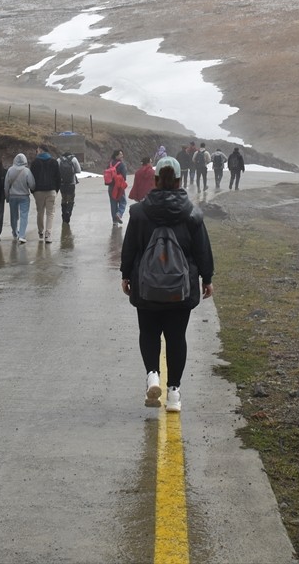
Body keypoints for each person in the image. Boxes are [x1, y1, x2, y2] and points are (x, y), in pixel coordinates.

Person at [119, 156, 214, 413]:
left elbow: (129, 248)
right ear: (180, 180)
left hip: (146, 286)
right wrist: (207, 278)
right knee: (176, 337)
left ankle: (152, 376)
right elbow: (202, 250)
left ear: (156, 180)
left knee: (149, 333)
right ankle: (174, 394)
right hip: (180, 290)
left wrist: (126, 274)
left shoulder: (139, 213)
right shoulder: (192, 213)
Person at [30, 144, 61, 243]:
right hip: (51, 190)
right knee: (50, 213)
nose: (36, 151)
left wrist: (33, 190)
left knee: (40, 212)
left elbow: (31, 178)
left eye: (37, 150)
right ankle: (48, 234)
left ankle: (40, 232)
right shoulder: (54, 162)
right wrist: (56, 190)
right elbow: (58, 177)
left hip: (38, 191)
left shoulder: (35, 162)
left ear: (41, 150)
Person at [4, 152, 35, 244]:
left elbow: (6, 185)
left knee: (14, 216)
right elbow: (32, 185)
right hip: (24, 197)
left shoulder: (10, 170)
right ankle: (22, 235)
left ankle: (14, 232)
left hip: (13, 196)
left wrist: (7, 197)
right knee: (23, 216)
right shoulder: (27, 171)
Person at [58, 149, 82, 225]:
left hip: (62, 183)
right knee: (71, 199)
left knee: (64, 199)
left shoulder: (59, 160)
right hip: (71, 183)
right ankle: (68, 212)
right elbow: (79, 170)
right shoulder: (73, 159)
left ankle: (63, 215)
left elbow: (56, 171)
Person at [106, 149, 128, 225]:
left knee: (113, 203)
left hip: (111, 187)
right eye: (120, 154)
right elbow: (124, 177)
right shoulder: (121, 164)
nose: (122, 156)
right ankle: (119, 214)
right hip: (119, 187)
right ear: (116, 155)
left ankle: (114, 221)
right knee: (123, 201)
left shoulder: (110, 163)